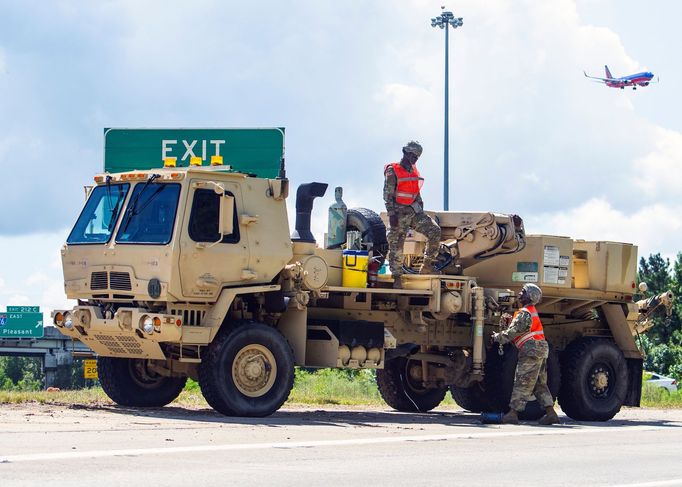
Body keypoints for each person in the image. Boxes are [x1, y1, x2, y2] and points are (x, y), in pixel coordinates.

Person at [492, 283, 560, 425]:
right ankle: (551, 413)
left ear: (529, 296)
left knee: (522, 381)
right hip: (540, 349)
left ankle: (513, 414)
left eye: (523, 292)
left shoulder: (525, 312)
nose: (519, 294)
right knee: (539, 384)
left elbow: (512, 333)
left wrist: (497, 337)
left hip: (531, 350)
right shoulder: (530, 311)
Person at [383, 141, 441, 289]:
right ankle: (397, 277)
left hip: (413, 212)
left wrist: (420, 206)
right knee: (396, 242)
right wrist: (391, 215)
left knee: (434, 230)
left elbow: (416, 191)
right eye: (413, 155)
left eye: (417, 156)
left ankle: (427, 264)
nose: (415, 158)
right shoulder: (393, 170)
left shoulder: (414, 171)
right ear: (405, 152)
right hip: (398, 213)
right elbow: (387, 195)